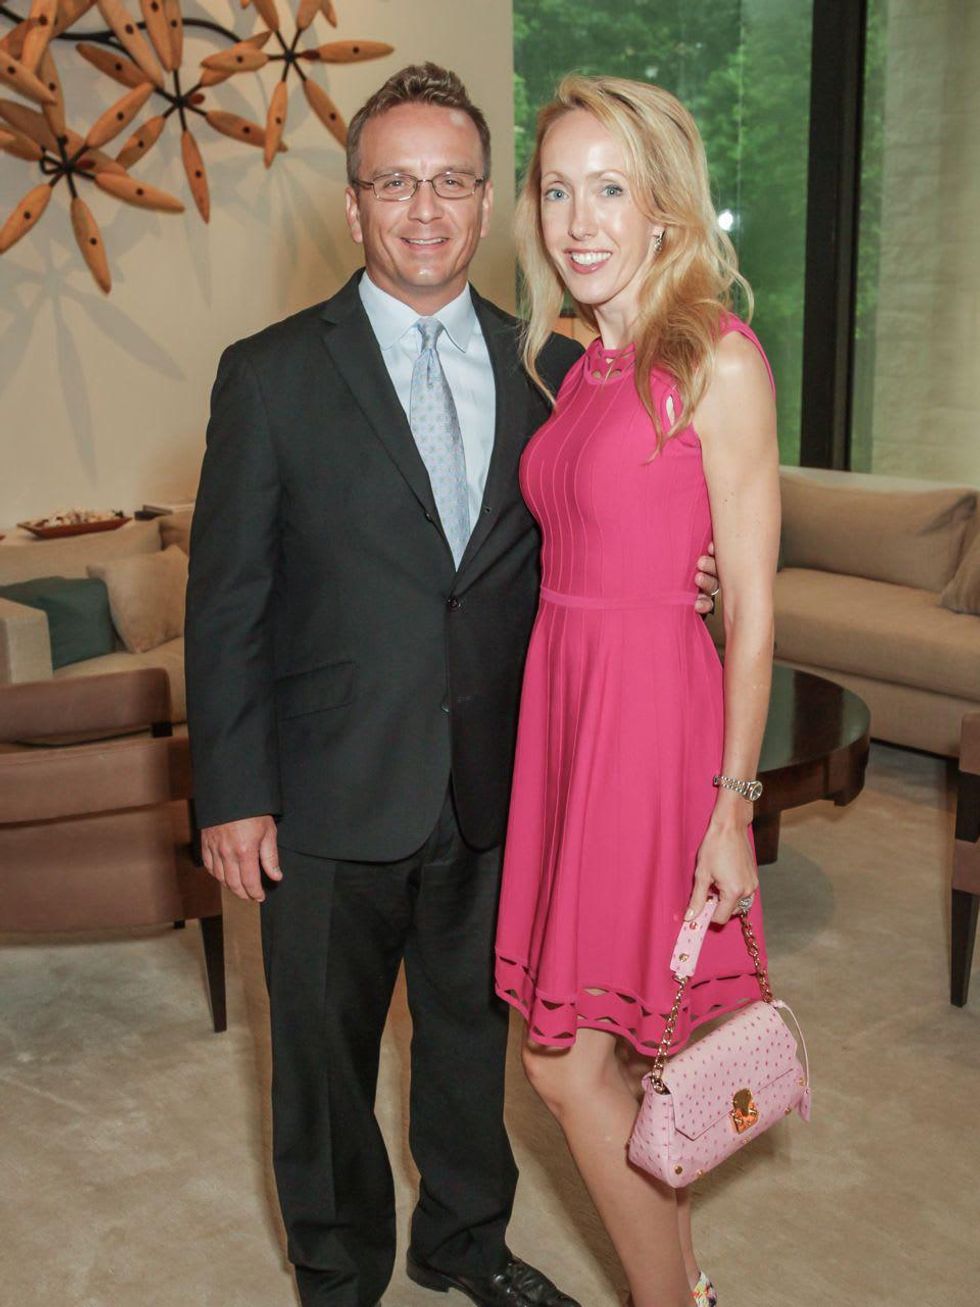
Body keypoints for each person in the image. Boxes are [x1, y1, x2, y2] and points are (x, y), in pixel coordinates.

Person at [185, 64, 719, 1307]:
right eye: (395, 182)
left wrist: (682, 577)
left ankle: (463, 1239)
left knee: (473, 1045)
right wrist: (231, 789)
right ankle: (338, 1265)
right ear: (357, 204)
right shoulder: (266, 375)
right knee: (319, 1060)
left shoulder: (552, 369)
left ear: (487, 206)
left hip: (500, 784)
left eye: (452, 182)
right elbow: (225, 604)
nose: (424, 209)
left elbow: (597, 529)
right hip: (323, 789)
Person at [494, 75, 780, 1307]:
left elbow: (756, 606)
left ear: (664, 204)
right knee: (569, 1062)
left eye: (608, 187)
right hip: (564, 711)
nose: (578, 218)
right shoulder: (580, 361)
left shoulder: (715, 358)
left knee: (565, 1065)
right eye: (557, 189)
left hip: (650, 723)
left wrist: (730, 804)